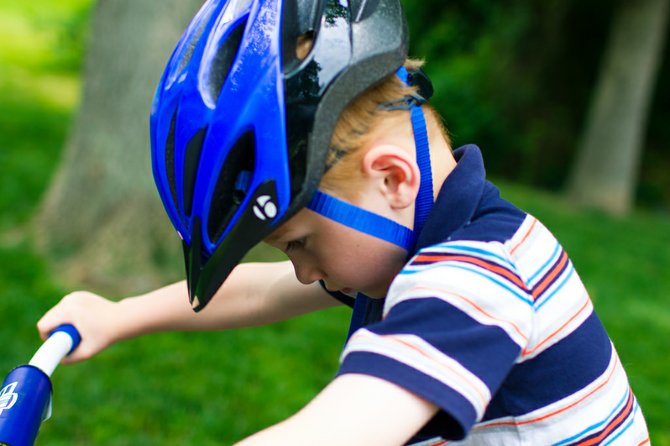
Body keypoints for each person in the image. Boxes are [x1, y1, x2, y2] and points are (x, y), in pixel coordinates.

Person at [37, 0, 650, 444]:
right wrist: (118, 316)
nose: (302, 274)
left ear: (393, 179)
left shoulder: (476, 274)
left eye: (299, 242)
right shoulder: (417, 239)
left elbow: (344, 427)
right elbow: (261, 290)